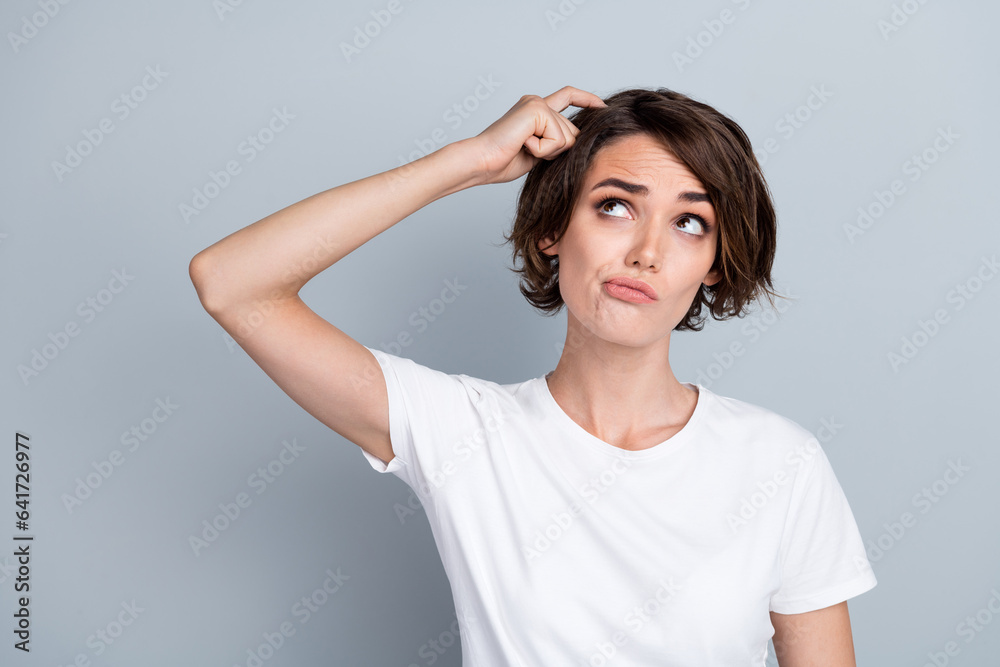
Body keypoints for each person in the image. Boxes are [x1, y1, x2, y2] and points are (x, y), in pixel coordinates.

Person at [189, 85, 877, 666]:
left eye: (690, 222)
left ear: (716, 264)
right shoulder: (464, 433)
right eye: (615, 205)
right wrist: (466, 163)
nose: (646, 252)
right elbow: (232, 283)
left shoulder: (781, 463)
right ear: (554, 228)